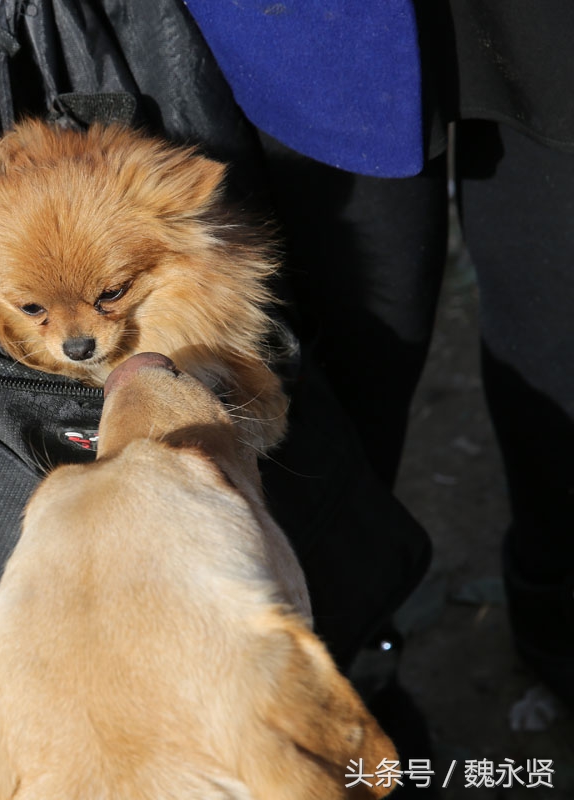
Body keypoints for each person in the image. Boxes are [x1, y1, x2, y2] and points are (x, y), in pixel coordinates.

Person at [184, 0, 574, 714]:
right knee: (336, 380)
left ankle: (558, 608)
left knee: (563, 331)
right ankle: (345, 679)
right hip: (308, 27)